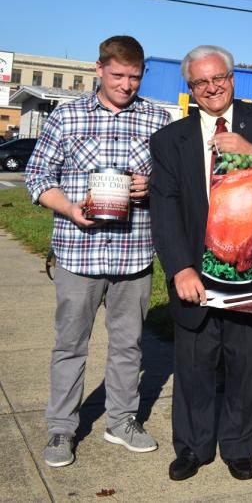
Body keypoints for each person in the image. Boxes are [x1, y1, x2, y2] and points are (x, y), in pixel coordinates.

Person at [149, 45, 252, 482]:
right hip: (196, 273)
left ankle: (239, 446)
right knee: (194, 366)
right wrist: (179, 268)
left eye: (219, 78)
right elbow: (165, 208)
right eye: (201, 82)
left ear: (232, 78)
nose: (212, 88)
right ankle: (192, 448)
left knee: (248, 364)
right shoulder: (169, 141)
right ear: (190, 87)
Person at [25, 35, 170, 468]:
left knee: (129, 346)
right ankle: (61, 429)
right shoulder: (67, 116)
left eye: (134, 76)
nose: (127, 85)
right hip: (78, 253)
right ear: (99, 69)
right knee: (70, 345)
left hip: (133, 254)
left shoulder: (157, 119)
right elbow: (37, 176)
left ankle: (122, 421)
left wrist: (151, 186)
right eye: (119, 75)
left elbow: (173, 181)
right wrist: (69, 208)